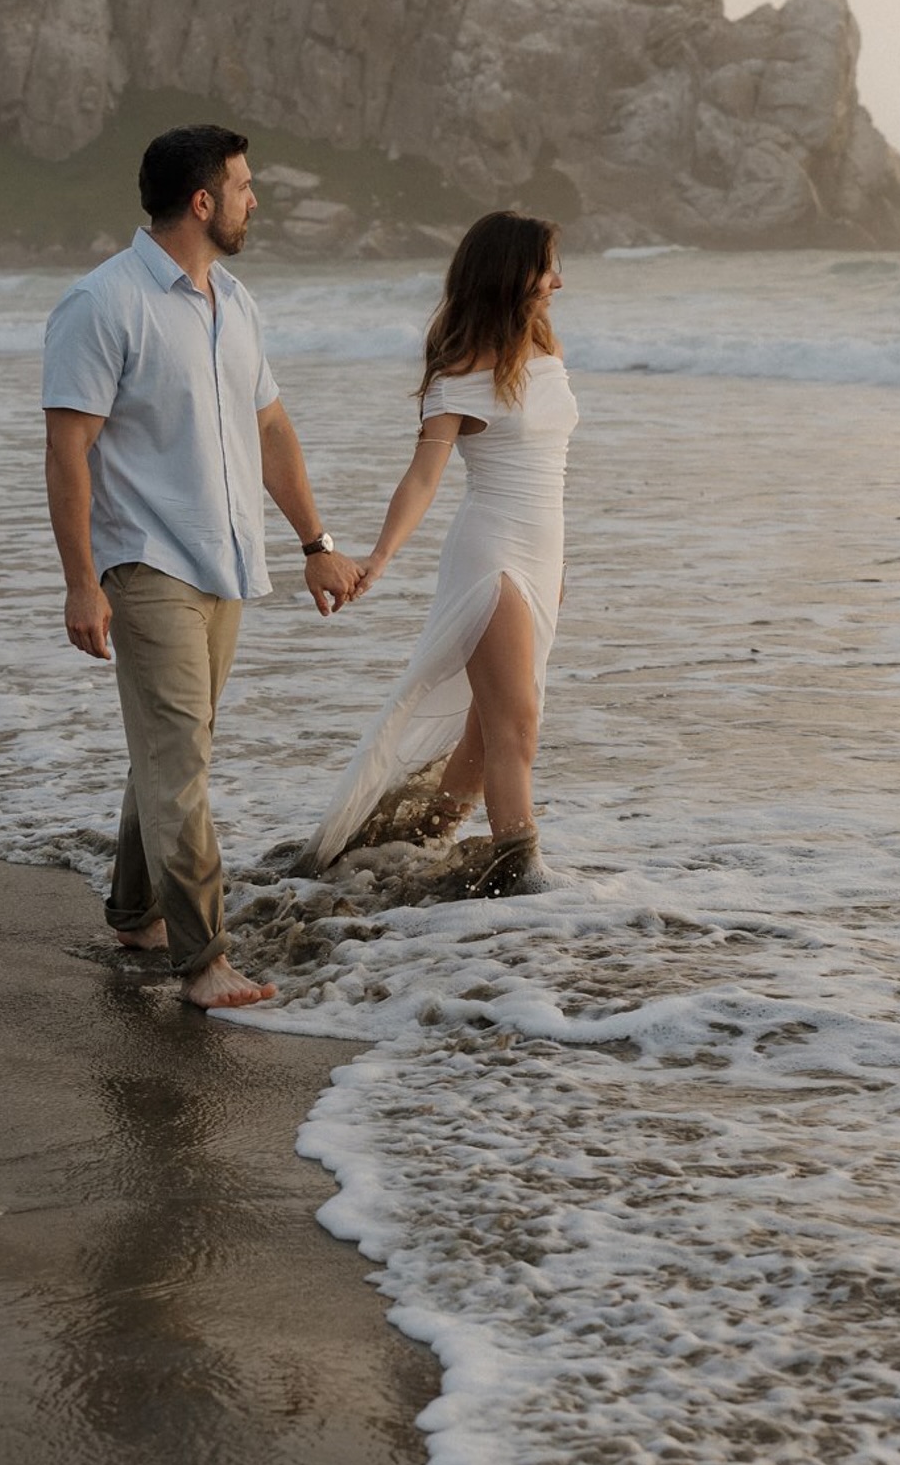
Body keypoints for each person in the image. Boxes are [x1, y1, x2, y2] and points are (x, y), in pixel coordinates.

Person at [43, 124, 363, 1008]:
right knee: (182, 756)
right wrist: (81, 581)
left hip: (226, 563)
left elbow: (269, 429)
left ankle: (135, 908)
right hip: (145, 563)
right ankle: (203, 960)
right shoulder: (102, 304)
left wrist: (315, 544)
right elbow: (68, 451)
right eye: (245, 186)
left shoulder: (236, 303)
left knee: (175, 747)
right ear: (201, 201)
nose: (254, 199)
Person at [294, 211, 577, 896]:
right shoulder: (458, 376)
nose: (558, 283)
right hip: (494, 556)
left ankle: (406, 850)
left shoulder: (544, 352)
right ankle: (520, 877)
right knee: (520, 726)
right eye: (546, 269)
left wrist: (560, 572)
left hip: (545, 556)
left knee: (486, 739)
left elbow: (549, 467)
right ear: (510, 276)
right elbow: (424, 478)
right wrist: (381, 556)